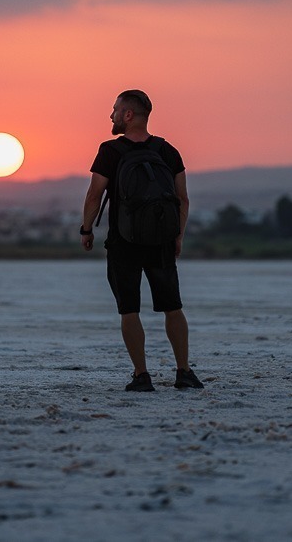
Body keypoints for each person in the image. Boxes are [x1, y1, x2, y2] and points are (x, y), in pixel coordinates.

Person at [80, 89, 204, 392]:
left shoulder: (110, 151)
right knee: (173, 306)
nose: (110, 115)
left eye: (114, 110)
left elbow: (95, 195)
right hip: (161, 242)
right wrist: (178, 236)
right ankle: (184, 372)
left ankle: (141, 375)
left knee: (129, 309)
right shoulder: (167, 151)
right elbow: (182, 199)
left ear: (128, 115)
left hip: (123, 243)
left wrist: (86, 229)